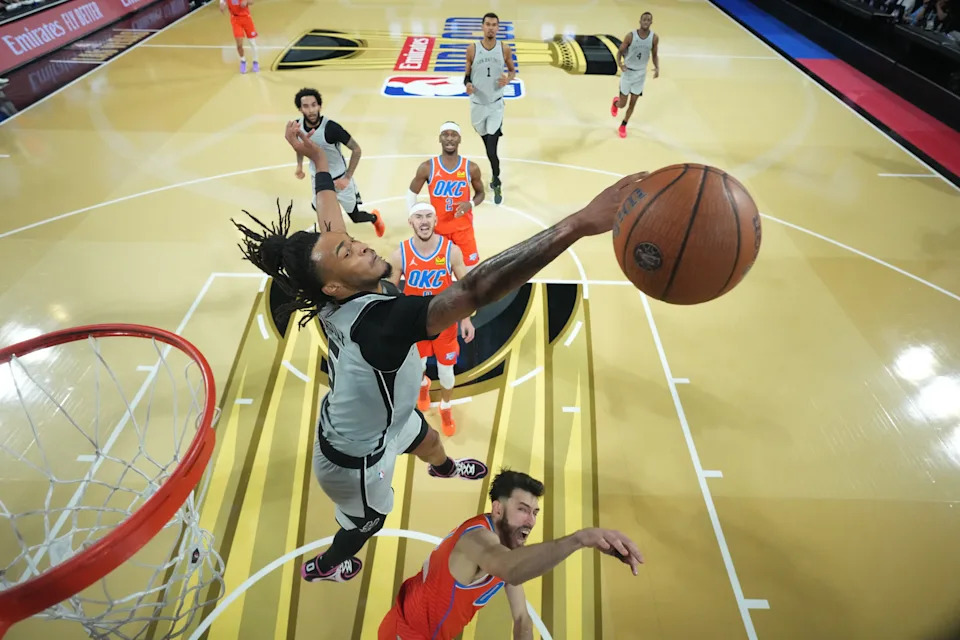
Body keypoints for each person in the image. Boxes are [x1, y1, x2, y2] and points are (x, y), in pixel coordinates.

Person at [234, 120, 647, 584]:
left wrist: (318, 162)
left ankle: (445, 469)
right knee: (369, 521)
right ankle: (329, 564)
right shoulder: (381, 323)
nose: (361, 245)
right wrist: (578, 224)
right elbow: (474, 288)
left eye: (350, 242)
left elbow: (328, 218)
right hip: (355, 460)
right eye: (348, 252)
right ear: (333, 283)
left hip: (386, 417)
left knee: (429, 442)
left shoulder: (334, 289)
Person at [378, 469, 644, 640]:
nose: (530, 520)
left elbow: (522, 619)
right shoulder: (476, 540)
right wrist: (579, 539)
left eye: (534, 512)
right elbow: (509, 569)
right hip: (404, 634)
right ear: (497, 509)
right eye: (522, 509)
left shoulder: (508, 549)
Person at [387, 202, 476, 436]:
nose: (424, 221)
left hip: (445, 324)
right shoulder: (400, 255)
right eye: (418, 217)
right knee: (418, 370)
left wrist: (466, 319)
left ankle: (446, 407)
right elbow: (388, 291)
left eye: (428, 216)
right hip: (416, 325)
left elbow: (466, 287)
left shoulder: (451, 251)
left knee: (447, 372)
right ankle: (424, 385)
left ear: (436, 221)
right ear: (411, 222)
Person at [293, 87, 386, 237]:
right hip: (318, 179)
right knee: (322, 213)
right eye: (306, 106)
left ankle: (375, 218)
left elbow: (357, 150)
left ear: (319, 106)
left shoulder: (332, 128)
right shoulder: (297, 127)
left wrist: (347, 178)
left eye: (314, 105)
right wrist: (299, 166)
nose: (311, 110)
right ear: (300, 108)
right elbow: (299, 146)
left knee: (355, 217)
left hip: (340, 179)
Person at [407, 121, 485, 269]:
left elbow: (480, 193)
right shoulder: (427, 167)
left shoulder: (471, 168)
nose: (449, 138)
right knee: (439, 271)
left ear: (459, 139)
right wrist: (413, 217)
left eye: (454, 135)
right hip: (437, 231)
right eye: (446, 135)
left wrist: (471, 204)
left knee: (470, 271)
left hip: (463, 230)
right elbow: (411, 193)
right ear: (440, 138)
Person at [464, 12, 515, 205]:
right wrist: (467, 85)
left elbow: (512, 70)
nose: (491, 27)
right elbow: (466, 76)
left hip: (495, 105)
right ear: (483, 27)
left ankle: (496, 179)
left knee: (492, 149)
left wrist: (508, 79)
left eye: (494, 24)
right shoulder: (472, 49)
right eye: (488, 24)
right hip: (478, 104)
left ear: (498, 28)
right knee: (486, 142)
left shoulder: (504, 49)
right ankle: (495, 173)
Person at [610, 12, 659, 139]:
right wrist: (620, 64)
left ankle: (623, 125)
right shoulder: (631, 36)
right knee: (623, 104)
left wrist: (657, 67)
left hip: (640, 74)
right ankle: (616, 102)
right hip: (628, 73)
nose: (646, 22)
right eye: (644, 19)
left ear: (651, 22)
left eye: (649, 20)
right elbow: (620, 52)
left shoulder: (654, 38)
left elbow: (654, 54)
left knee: (633, 104)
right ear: (640, 21)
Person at [219, 0, 259, 74]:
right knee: (239, 45)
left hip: (246, 19)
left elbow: (252, 2)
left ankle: (255, 62)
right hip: (235, 20)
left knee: (252, 43)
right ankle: (243, 61)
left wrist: (246, 2)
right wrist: (221, 4)